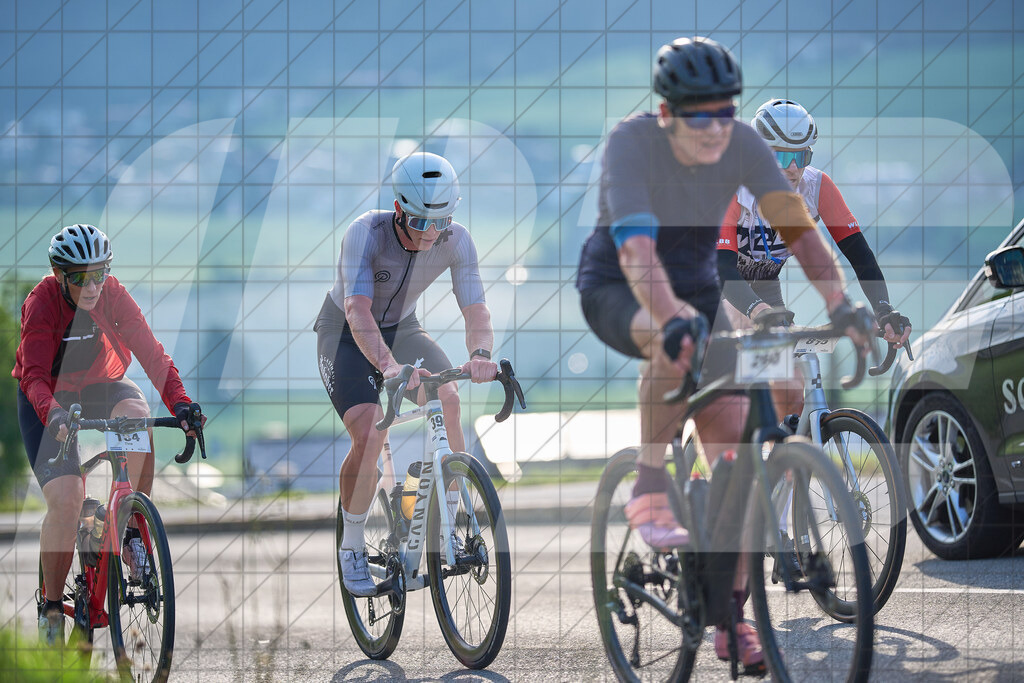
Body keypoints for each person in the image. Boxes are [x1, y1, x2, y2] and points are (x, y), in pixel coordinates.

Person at [576, 37, 874, 672]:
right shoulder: (633, 143)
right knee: (672, 342)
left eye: (726, 111)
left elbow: (801, 232)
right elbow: (637, 251)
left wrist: (842, 304)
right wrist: (672, 316)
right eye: (701, 115)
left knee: (741, 443)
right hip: (618, 287)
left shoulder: (744, 145)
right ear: (667, 113)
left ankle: (730, 615)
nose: (717, 127)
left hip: (700, 292)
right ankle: (649, 484)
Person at [316, 152, 498, 598]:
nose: (431, 235)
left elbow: (476, 308)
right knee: (370, 431)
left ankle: (446, 522)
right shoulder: (365, 233)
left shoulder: (457, 240)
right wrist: (389, 367)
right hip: (345, 333)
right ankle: (352, 545)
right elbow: (357, 309)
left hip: (403, 329)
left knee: (448, 397)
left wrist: (480, 354)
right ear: (398, 209)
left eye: (441, 223)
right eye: (420, 223)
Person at [14, 223, 203, 646]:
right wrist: (55, 415)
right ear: (59, 275)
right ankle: (51, 609)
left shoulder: (113, 294)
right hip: (47, 398)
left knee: (137, 415)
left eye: (99, 273)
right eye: (80, 277)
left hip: (100, 385)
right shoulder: (41, 302)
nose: (92, 286)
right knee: (67, 501)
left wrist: (182, 405)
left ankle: (131, 528)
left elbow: (153, 355)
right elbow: (34, 377)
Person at [717, 98, 912, 418]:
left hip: (764, 286)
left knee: (791, 391)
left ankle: (785, 448)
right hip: (714, 284)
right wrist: (758, 311)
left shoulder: (817, 187)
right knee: (728, 397)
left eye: (802, 156)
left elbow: (860, 256)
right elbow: (723, 269)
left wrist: (883, 309)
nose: (794, 168)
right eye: (782, 156)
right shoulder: (733, 189)